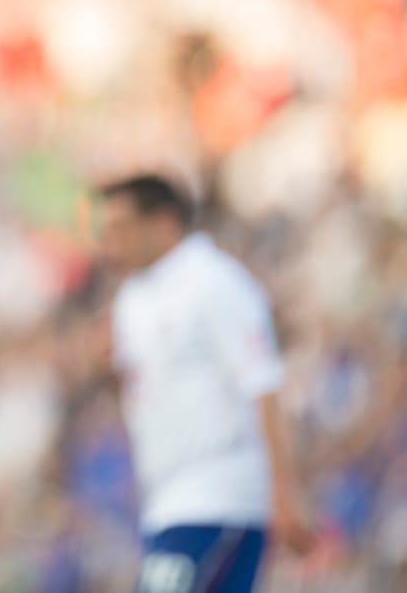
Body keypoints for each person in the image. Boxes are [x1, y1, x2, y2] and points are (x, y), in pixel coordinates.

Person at [97, 175, 313, 593]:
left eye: (121, 228)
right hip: (165, 499)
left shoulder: (216, 283)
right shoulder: (132, 299)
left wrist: (284, 495)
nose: (111, 242)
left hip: (219, 495)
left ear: (163, 222)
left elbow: (264, 386)